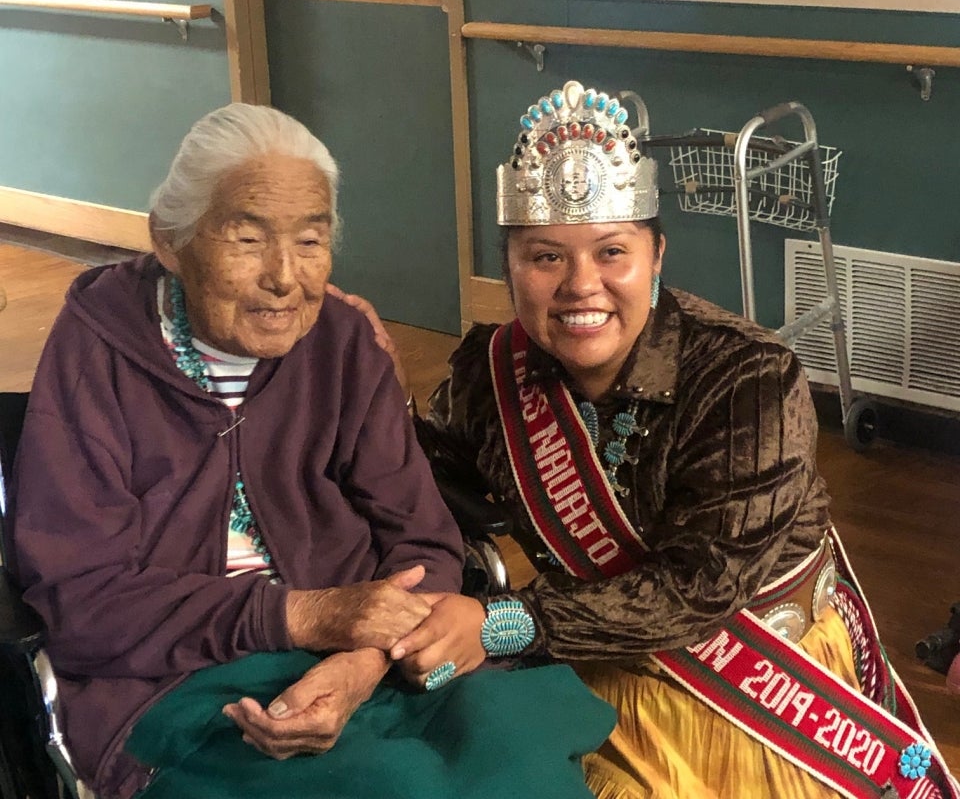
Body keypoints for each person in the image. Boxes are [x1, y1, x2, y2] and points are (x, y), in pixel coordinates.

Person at [355, 80, 958, 799]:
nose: (582, 285)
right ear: (507, 265)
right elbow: (433, 484)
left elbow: (697, 589)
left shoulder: (747, 379)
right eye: (545, 257)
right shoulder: (491, 371)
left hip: (758, 686)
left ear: (657, 254)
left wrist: (498, 624)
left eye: (612, 252)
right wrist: (376, 398)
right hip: (587, 656)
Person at [9, 103, 615, 799]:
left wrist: (359, 663)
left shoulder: (343, 343)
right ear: (171, 241)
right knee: (398, 785)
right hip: (175, 681)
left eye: (310, 240)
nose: (284, 277)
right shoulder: (97, 352)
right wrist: (304, 616)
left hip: (370, 658)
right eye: (247, 239)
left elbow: (423, 536)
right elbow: (82, 600)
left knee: (518, 764)